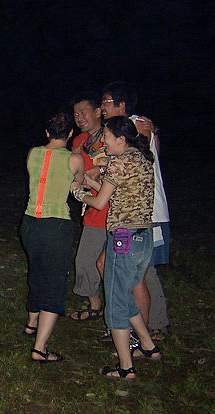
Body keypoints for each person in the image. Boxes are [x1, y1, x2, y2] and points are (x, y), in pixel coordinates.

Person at [71, 116, 162, 380]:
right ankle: (149, 346)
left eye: (107, 139)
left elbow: (100, 203)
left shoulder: (119, 163)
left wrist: (77, 192)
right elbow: (116, 193)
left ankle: (125, 367)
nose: (104, 143)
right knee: (124, 294)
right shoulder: (142, 159)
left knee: (116, 302)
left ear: (121, 139)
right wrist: (91, 184)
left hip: (124, 237)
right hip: (143, 237)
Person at [100, 81, 170, 341]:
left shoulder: (135, 126)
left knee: (140, 274)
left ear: (122, 104)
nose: (102, 107)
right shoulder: (130, 128)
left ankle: (147, 330)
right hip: (134, 215)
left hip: (144, 214)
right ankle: (133, 326)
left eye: (106, 102)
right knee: (118, 268)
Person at [20, 113, 84, 363]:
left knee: (37, 270)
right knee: (54, 281)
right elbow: (78, 183)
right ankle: (40, 348)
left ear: (47, 133)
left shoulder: (32, 153)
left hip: (29, 222)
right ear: (70, 134)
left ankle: (31, 323)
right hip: (56, 225)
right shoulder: (74, 159)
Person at [68, 92, 108, 321]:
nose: (79, 118)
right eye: (75, 114)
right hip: (93, 209)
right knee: (84, 261)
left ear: (98, 112)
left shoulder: (113, 136)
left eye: (83, 112)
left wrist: (99, 171)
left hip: (118, 211)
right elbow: (77, 175)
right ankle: (95, 305)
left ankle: (133, 316)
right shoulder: (79, 142)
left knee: (114, 267)